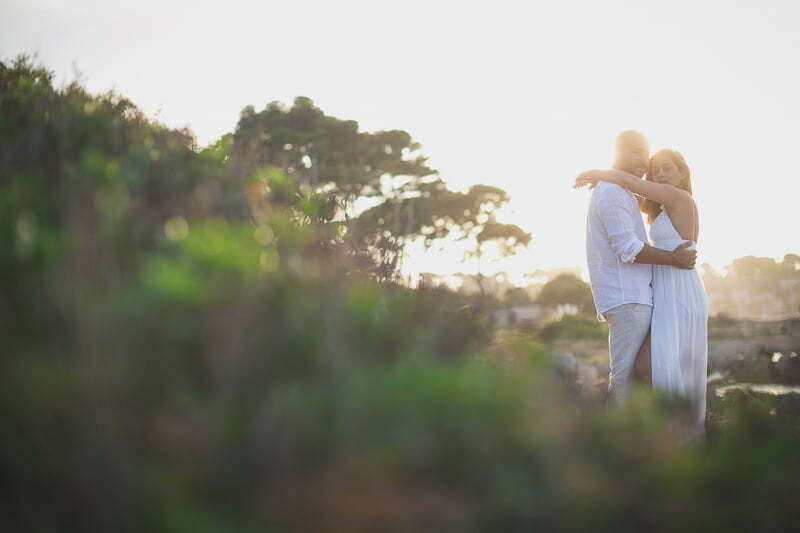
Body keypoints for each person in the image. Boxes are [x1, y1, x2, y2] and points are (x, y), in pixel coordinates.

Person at [575, 146, 709, 441]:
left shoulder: (680, 198)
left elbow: (633, 184)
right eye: (656, 169)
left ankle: (678, 437)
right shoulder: (659, 206)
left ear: (682, 173)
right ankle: (661, 436)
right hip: (664, 288)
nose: (659, 174)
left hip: (679, 288)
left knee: (653, 366)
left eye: (667, 168)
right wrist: (605, 185)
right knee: (658, 365)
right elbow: (625, 195)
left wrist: (598, 173)